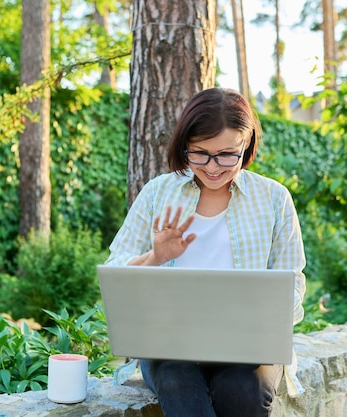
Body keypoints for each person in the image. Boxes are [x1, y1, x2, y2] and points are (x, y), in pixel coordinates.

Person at [105, 87, 306, 417]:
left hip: (248, 349)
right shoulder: (158, 192)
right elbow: (115, 270)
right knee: (176, 381)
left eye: (228, 154)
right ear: (184, 145)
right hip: (169, 348)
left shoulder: (274, 198)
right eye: (199, 153)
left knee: (243, 389)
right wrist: (155, 257)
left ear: (247, 144)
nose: (213, 167)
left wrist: (261, 319)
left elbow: (293, 286)